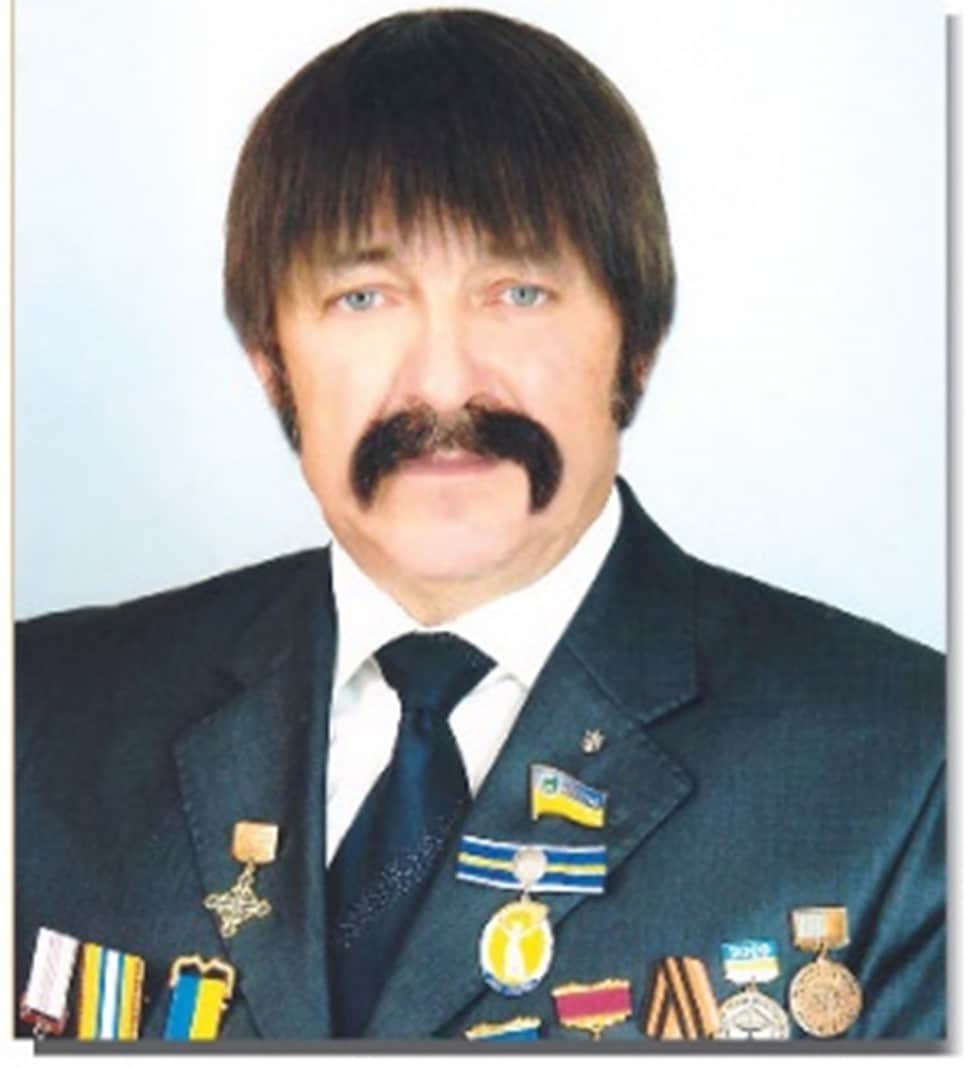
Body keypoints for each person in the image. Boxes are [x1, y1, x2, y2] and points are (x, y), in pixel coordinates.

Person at [15, 7, 944, 1043]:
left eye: (518, 292)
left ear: (635, 345)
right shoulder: (39, 718)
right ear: (270, 362)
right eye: (364, 297)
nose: (444, 382)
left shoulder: (910, 769)